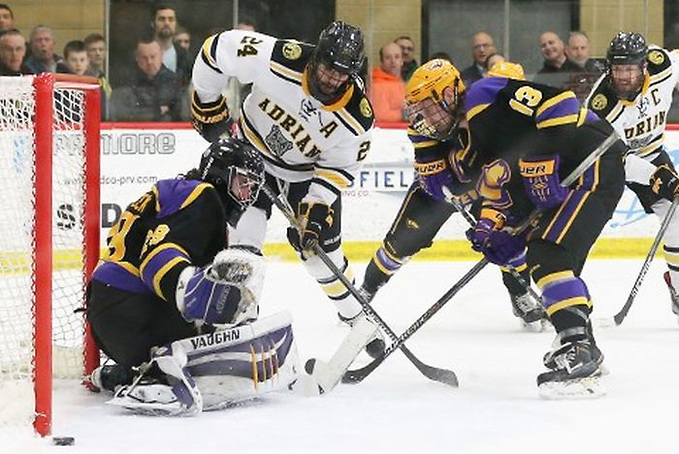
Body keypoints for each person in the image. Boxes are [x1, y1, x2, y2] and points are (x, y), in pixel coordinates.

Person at [405, 58, 630, 398]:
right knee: (551, 260)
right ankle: (582, 345)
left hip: (593, 158)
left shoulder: (482, 96)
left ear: (450, 94)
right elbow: (505, 192)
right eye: (418, 109)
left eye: (428, 106)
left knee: (548, 253)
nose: (424, 117)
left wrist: (541, 156)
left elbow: (561, 103)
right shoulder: (469, 143)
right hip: (577, 177)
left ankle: (580, 350)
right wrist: (494, 229)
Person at [191, 21, 385, 357]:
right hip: (249, 152)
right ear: (317, 55)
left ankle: (356, 314)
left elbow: (339, 168)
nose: (332, 79)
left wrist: (316, 205)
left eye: (343, 74)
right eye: (327, 68)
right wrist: (208, 102)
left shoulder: (357, 118)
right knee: (243, 238)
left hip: (303, 176)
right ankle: (238, 315)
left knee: (320, 255)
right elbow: (216, 50)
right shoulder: (279, 57)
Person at [86, 138, 301, 416]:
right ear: (221, 173)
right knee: (224, 332)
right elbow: (157, 257)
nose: (247, 195)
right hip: (132, 308)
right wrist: (192, 291)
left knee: (225, 316)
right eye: (243, 182)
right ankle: (165, 369)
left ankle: (136, 373)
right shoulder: (203, 195)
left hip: (114, 318)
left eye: (252, 188)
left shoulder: (185, 194)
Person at [359, 59, 545, 331]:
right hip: (443, 187)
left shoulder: (495, 119)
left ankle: (519, 294)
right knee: (400, 243)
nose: (424, 117)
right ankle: (365, 291)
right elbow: (425, 146)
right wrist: (436, 169)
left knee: (505, 238)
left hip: (486, 188)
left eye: (428, 109)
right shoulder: (440, 118)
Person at [586, 32, 679, 319]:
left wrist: (655, 172)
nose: (624, 77)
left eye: (630, 69)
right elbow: (611, 158)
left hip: (651, 153)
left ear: (643, 67)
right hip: (609, 164)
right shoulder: (600, 105)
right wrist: (654, 175)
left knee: (677, 217)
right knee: (580, 226)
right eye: (618, 69)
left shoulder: (662, 67)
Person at [109, 38, 183, 121]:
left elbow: (177, 113)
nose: (149, 62)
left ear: (161, 56)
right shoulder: (127, 79)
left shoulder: (172, 80)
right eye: (144, 58)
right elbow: (121, 111)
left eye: (153, 57)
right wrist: (157, 111)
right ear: (137, 58)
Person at [150, 3, 192, 86]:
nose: (166, 23)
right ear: (153, 24)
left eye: (171, 19)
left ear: (175, 24)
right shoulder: (141, 55)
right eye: (162, 19)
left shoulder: (186, 57)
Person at [371, 41, 405, 122]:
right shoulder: (378, 85)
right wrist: (405, 115)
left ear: (402, 60)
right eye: (387, 57)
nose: (393, 61)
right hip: (387, 131)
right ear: (381, 61)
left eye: (396, 57)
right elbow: (379, 115)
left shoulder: (398, 82)